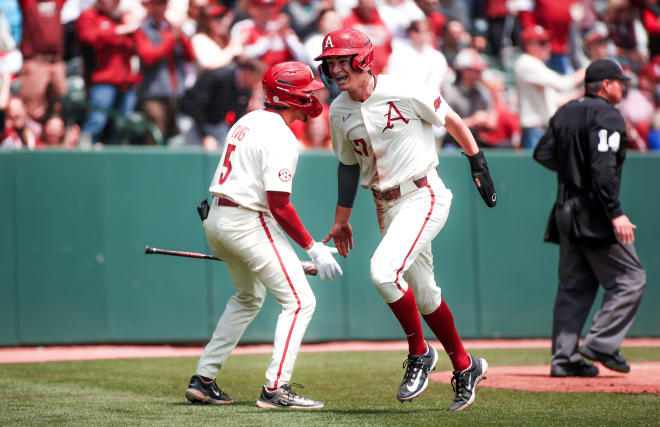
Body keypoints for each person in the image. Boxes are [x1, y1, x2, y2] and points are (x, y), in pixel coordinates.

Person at [315, 28, 495, 411]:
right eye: (329, 62)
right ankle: (466, 365)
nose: (334, 68)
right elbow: (347, 166)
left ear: (363, 59)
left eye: (341, 59)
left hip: (423, 193)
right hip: (385, 205)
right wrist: (341, 220)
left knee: (382, 272)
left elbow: (451, 119)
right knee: (426, 294)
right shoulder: (338, 110)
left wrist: (477, 162)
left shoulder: (404, 88)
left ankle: (419, 352)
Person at [184, 61, 342, 409]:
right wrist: (313, 248)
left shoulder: (248, 119)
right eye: (305, 91)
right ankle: (276, 389)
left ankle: (203, 379)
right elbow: (279, 205)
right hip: (248, 220)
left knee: (248, 297)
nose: (312, 97)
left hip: (219, 218)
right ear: (289, 95)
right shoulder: (281, 135)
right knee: (301, 301)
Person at [533, 59, 646, 378]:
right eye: (620, 81)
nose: (623, 87)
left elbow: (542, 153)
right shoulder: (608, 114)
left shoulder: (566, 110)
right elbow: (602, 167)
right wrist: (615, 212)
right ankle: (601, 344)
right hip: (594, 210)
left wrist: (573, 171)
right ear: (606, 84)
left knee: (574, 286)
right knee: (631, 279)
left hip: (565, 207)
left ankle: (564, 358)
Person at [76, 0, 141, 144]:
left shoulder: (122, 17)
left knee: (123, 125)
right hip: (103, 80)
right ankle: (84, 155)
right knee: (97, 120)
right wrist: (117, 30)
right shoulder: (90, 15)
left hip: (126, 81)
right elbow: (88, 37)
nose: (114, 3)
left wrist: (132, 22)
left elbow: (140, 46)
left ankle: (120, 159)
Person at [514, 25, 584, 149]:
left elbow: (558, 100)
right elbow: (564, 83)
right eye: (542, 43)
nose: (548, 47)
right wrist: (591, 69)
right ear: (530, 45)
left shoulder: (537, 66)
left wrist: (584, 91)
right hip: (535, 132)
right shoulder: (526, 62)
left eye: (547, 42)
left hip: (544, 131)